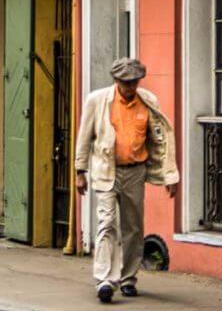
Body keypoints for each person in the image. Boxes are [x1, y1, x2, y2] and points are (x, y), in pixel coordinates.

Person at [75, 57, 179, 303]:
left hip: (135, 171)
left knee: (133, 227)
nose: (130, 87)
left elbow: (161, 141)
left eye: (134, 82)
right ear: (116, 80)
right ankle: (104, 280)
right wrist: (80, 171)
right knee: (107, 223)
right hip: (106, 170)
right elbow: (84, 136)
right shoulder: (97, 101)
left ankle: (128, 279)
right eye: (125, 82)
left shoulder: (148, 101)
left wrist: (170, 174)